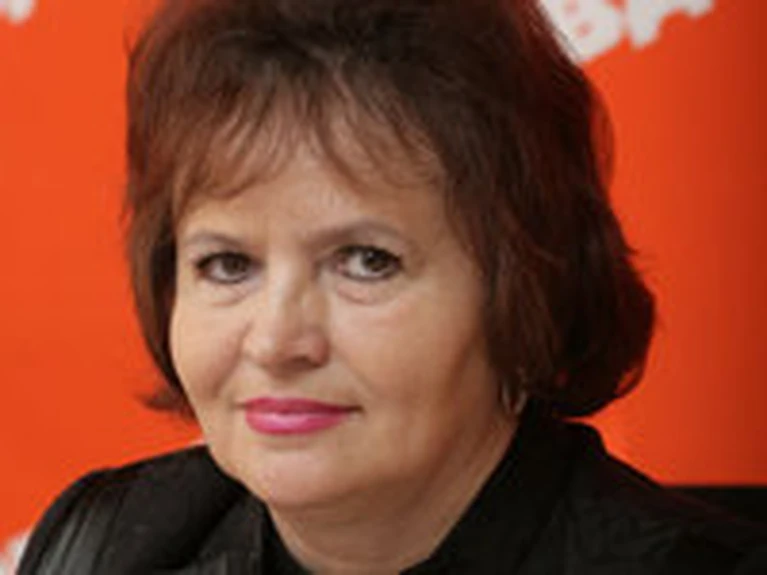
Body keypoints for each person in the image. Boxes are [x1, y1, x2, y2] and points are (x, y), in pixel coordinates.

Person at [18, 0, 767, 573]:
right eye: (227, 264)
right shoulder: (102, 545)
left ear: (525, 296)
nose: (276, 340)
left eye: (366, 261)